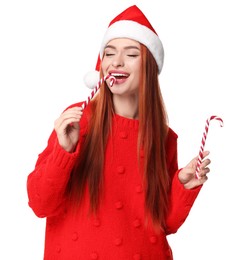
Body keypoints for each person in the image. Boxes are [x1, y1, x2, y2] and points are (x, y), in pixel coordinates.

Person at [27, 5, 211, 260]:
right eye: (109, 53)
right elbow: (40, 203)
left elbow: (165, 224)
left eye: (131, 53)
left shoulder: (165, 138)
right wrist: (64, 151)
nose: (116, 62)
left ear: (149, 65)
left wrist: (183, 186)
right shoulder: (77, 122)